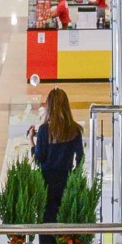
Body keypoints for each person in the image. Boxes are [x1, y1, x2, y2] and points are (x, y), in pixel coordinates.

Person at [33, 84, 84, 221]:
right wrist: (75, 175)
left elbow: (39, 158)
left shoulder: (44, 130)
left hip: (46, 183)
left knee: (47, 223)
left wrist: (31, 142)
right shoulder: (75, 130)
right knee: (64, 223)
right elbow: (80, 158)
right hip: (66, 181)